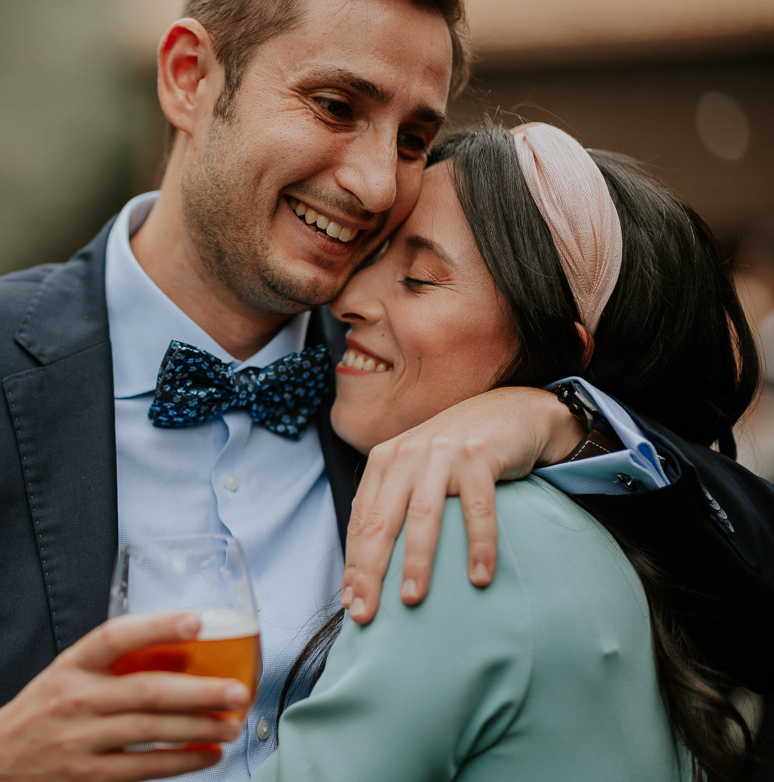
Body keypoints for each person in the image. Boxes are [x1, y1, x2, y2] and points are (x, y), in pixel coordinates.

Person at [0, 2, 774, 781]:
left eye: (416, 133)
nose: (376, 180)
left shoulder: (409, 390)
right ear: (187, 77)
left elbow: (746, 565)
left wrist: (558, 411)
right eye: (334, 106)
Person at [255, 122, 760, 781]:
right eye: (372, 259)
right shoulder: (610, 540)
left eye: (416, 279)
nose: (346, 302)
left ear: (557, 350)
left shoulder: (474, 529)